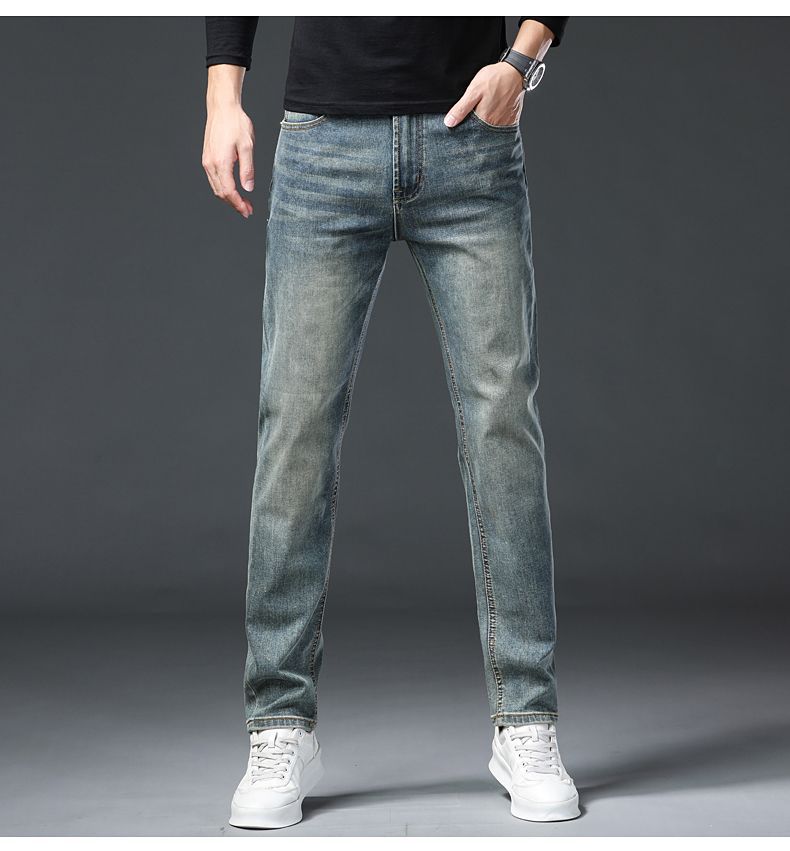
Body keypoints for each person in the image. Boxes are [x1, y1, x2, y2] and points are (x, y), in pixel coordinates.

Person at [202, 15, 579, 829]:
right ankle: (279, 724)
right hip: (323, 143)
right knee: (295, 429)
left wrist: (521, 60)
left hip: (470, 137)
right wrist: (222, 98)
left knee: (503, 424)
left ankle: (526, 718)